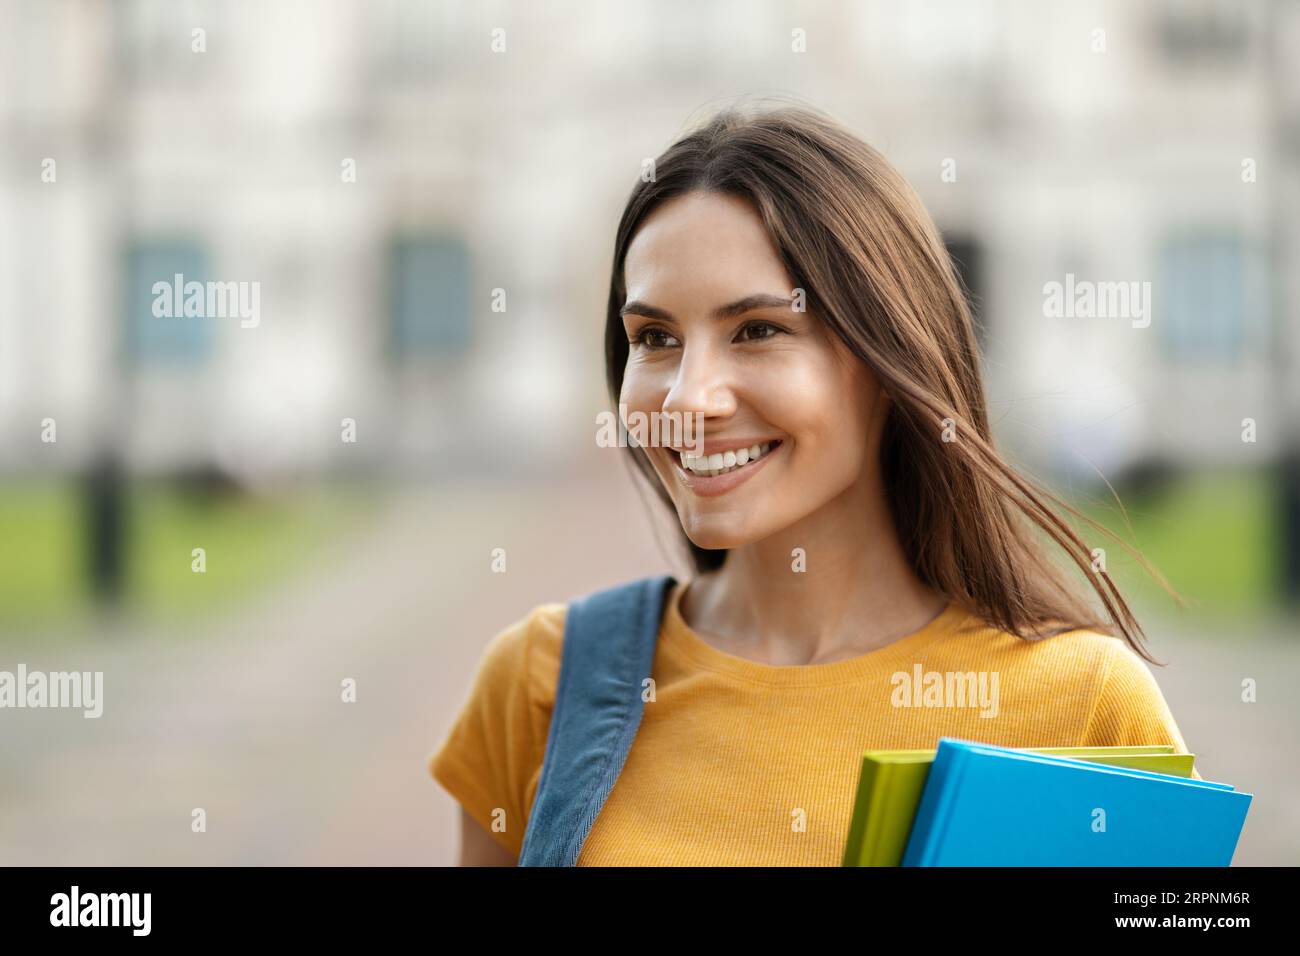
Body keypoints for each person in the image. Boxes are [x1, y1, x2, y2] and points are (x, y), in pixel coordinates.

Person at [429, 101, 1194, 866]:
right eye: (655, 338)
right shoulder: (541, 683)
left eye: (758, 330)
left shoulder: (1086, 708)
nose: (689, 399)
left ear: (893, 356)